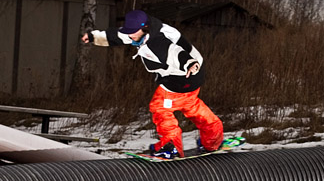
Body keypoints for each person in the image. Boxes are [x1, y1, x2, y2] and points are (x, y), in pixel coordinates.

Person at [81, 9, 224, 159]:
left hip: (181, 74)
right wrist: (92, 36)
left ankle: (170, 146)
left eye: (133, 32)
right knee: (191, 104)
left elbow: (175, 52)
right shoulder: (142, 30)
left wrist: (188, 63)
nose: (130, 36)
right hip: (195, 75)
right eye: (129, 32)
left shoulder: (157, 41)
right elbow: (117, 35)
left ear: (145, 28)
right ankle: (213, 138)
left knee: (160, 107)